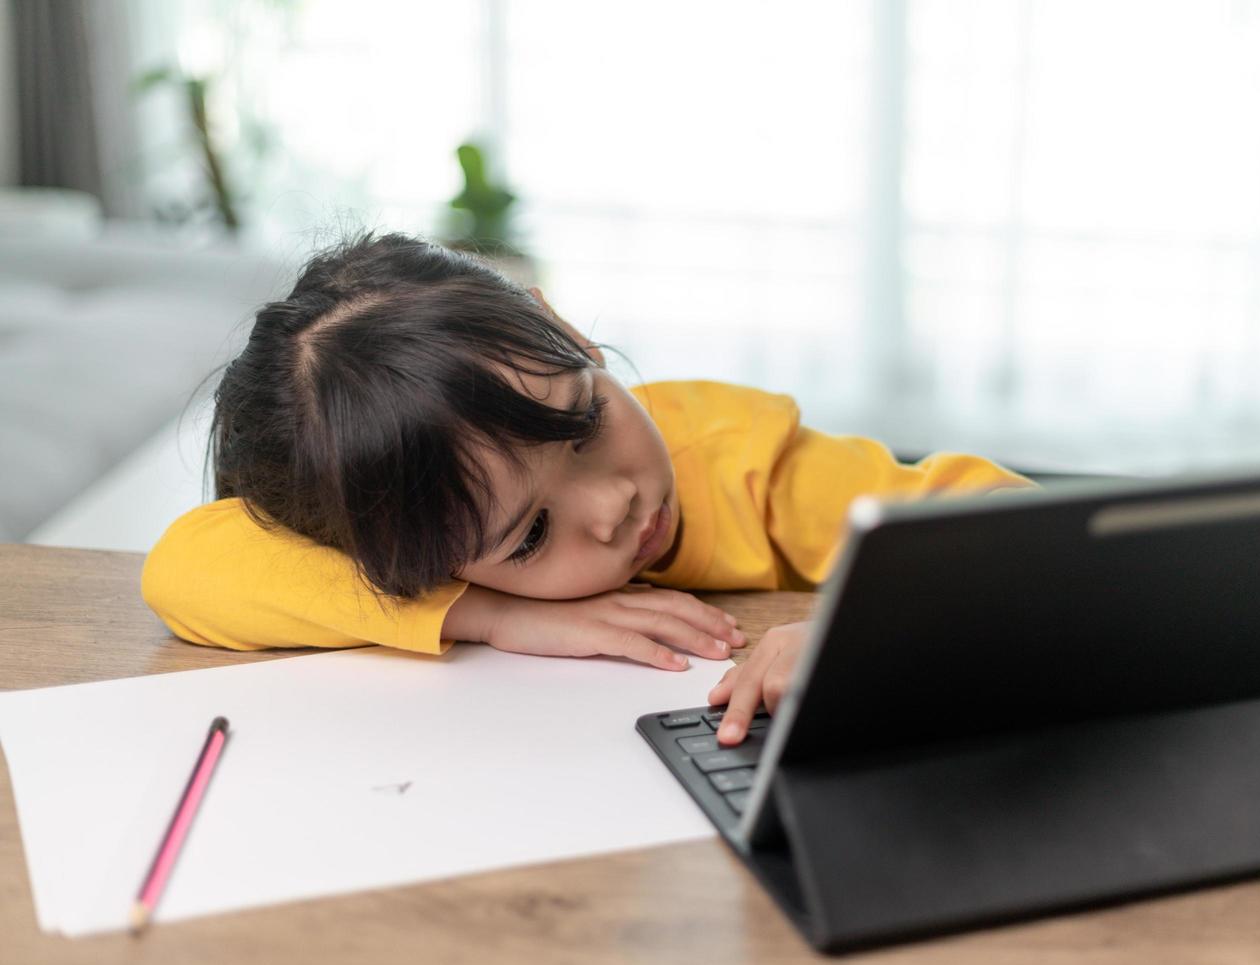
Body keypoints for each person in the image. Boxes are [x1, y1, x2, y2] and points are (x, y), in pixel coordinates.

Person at [141, 232, 1031, 746]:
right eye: (528, 538)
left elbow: (1022, 526)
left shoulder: (745, 463)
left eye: (586, 423)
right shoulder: (412, 532)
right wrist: (495, 618)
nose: (613, 508)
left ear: (562, 327)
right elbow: (185, 568)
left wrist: (867, 623)